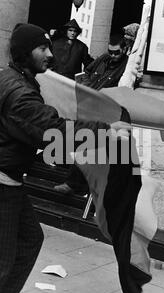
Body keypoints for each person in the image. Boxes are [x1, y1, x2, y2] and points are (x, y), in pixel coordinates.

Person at [0, 23, 131, 293]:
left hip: (3, 177)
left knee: (28, 241)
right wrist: (106, 129)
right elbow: (54, 132)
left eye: (49, 46)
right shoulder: (20, 92)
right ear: (25, 53)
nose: (50, 54)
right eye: (42, 48)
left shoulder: (15, 77)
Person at [54, 34, 129, 195]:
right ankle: (75, 181)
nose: (113, 55)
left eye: (117, 53)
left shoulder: (127, 66)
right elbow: (87, 71)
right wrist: (87, 88)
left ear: (124, 49)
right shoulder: (103, 58)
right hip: (89, 106)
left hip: (108, 112)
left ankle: (77, 184)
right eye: (110, 52)